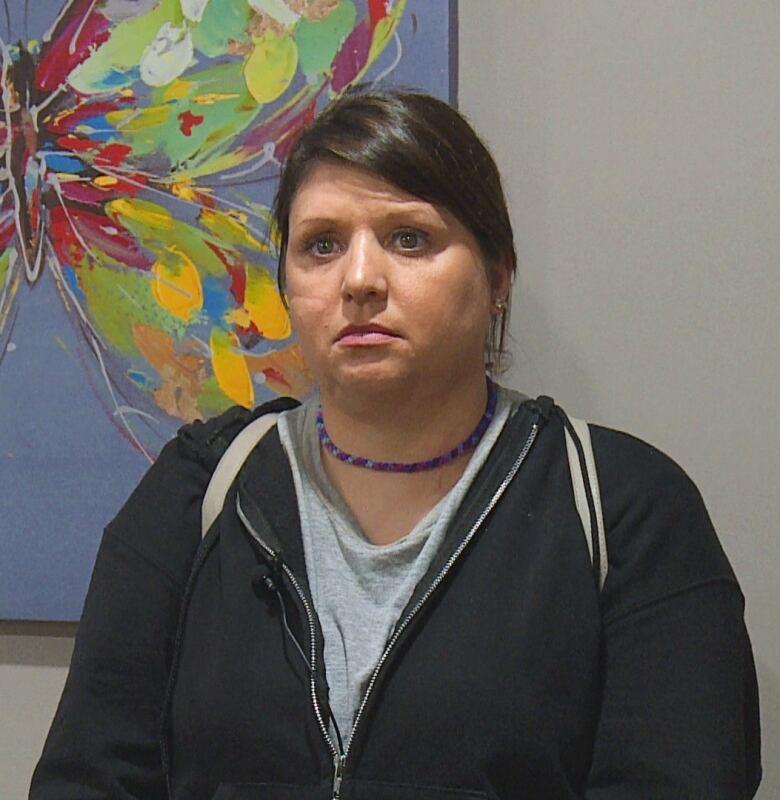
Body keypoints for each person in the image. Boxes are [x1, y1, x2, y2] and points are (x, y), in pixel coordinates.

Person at [30, 87, 761, 800]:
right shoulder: (198, 492)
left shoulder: (624, 507)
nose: (359, 280)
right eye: (321, 245)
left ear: (498, 274)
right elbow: (89, 776)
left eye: (409, 238)